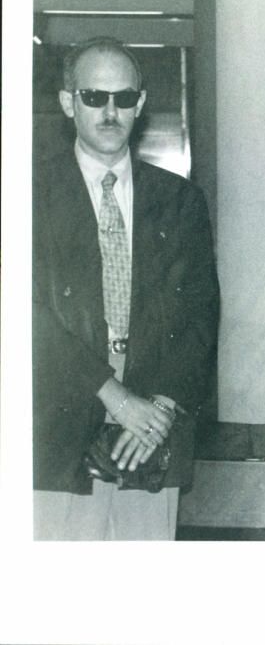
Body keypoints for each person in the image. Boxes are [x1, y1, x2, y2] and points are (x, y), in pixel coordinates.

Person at [32, 37, 220, 539]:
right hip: (63, 409)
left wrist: (160, 408)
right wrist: (112, 395)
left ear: (140, 103)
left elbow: (201, 314)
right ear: (69, 102)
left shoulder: (180, 201)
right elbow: (27, 315)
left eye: (123, 97)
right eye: (94, 97)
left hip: (155, 418)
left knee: (143, 591)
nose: (110, 111)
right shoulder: (29, 193)